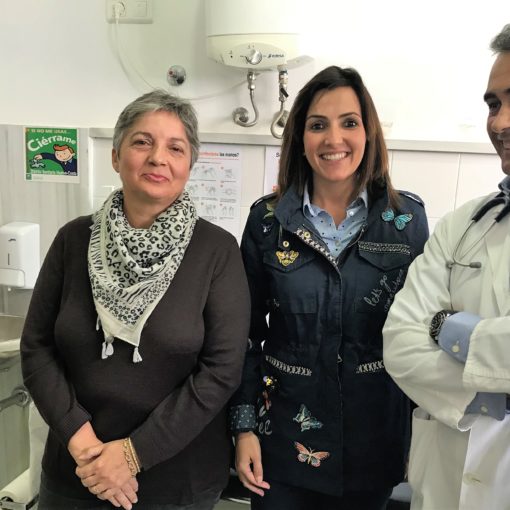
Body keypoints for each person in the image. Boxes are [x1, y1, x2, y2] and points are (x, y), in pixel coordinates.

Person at [20, 89, 250, 510]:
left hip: (177, 483)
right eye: (142, 142)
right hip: (77, 472)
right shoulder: (73, 240)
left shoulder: (217, 251)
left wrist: (131, 455)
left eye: (175, 148)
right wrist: (83, 443)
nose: (158, 158)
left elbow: (222, 370)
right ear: (115, 156)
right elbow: (37, 348)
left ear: (189, 165)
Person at [229, 65, 429, 510]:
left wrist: (420, 435)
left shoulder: (407, 221)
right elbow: (244, 334)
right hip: (282, 441)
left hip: (373, 443)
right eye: (318, 125)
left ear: (368, 133)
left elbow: (420, 334)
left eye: (349, 123)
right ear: (300, 138)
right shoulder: (267, 221)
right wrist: (243, 428)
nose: (333, 138)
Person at [383, 24, 510, 510]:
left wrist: (453, 331)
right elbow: (400, 342)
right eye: (493, 104)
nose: (500, 122)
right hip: (445, 484)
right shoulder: (464, 224)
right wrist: (495, 396)